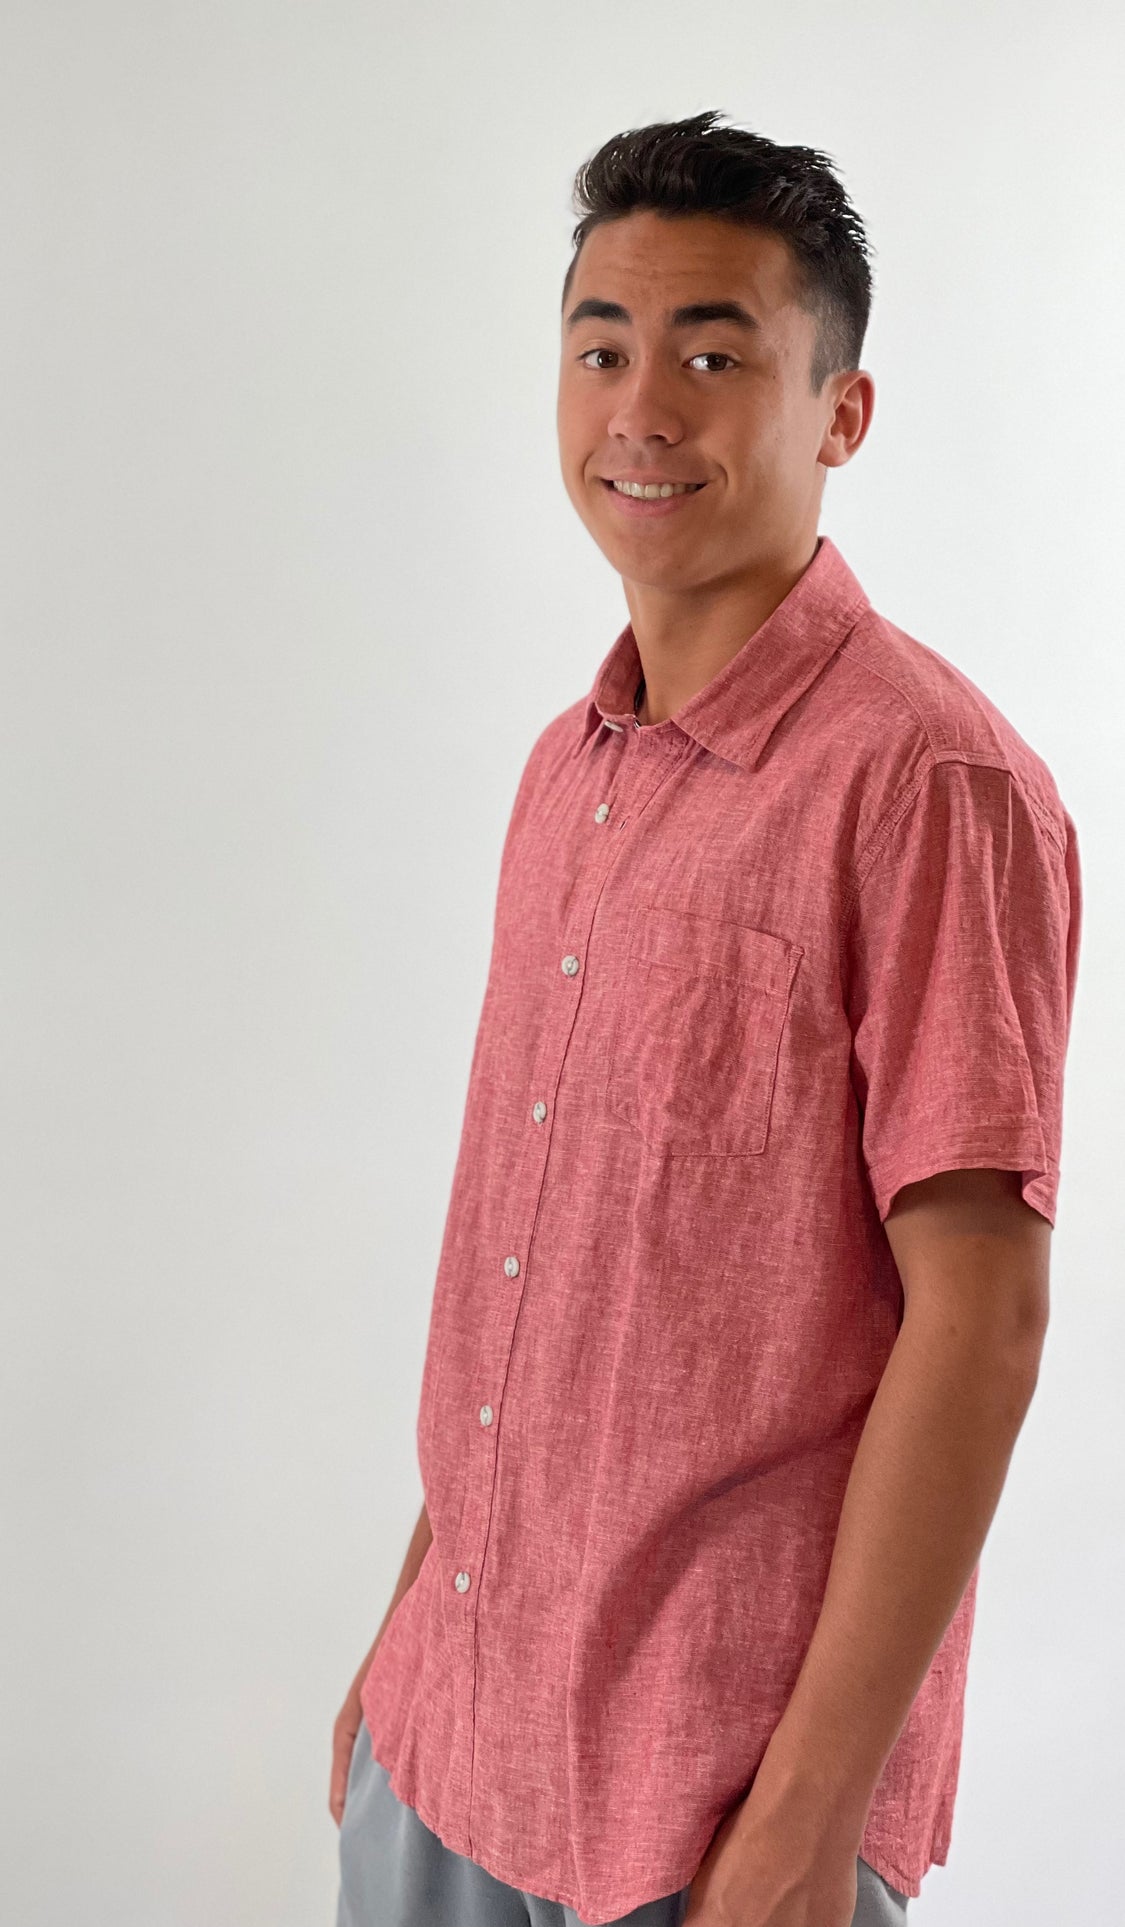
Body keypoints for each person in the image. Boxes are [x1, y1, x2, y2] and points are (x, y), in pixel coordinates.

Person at [330, 110, 1082, 1927]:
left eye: (714, 355)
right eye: (600, 350)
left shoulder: (929, 785)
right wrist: (406, 1633)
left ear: (841, 413)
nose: (640, 410)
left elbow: (979, 1320)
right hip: (447, 1743)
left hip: (714, 1800)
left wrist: (808, 1818)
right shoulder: (562, 770)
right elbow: (530, 1259)